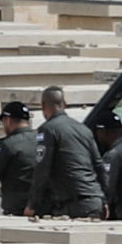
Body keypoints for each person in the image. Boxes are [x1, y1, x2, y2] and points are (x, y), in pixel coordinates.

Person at [25, 86, 106, 219]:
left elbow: (42, 169)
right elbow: (99, 166)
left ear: (43, 105)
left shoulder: (47, 130)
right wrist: (105, 199)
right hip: (95, 201)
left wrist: (32, 205)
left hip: (73, 205)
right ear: (65, 104)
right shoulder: (84, 129)